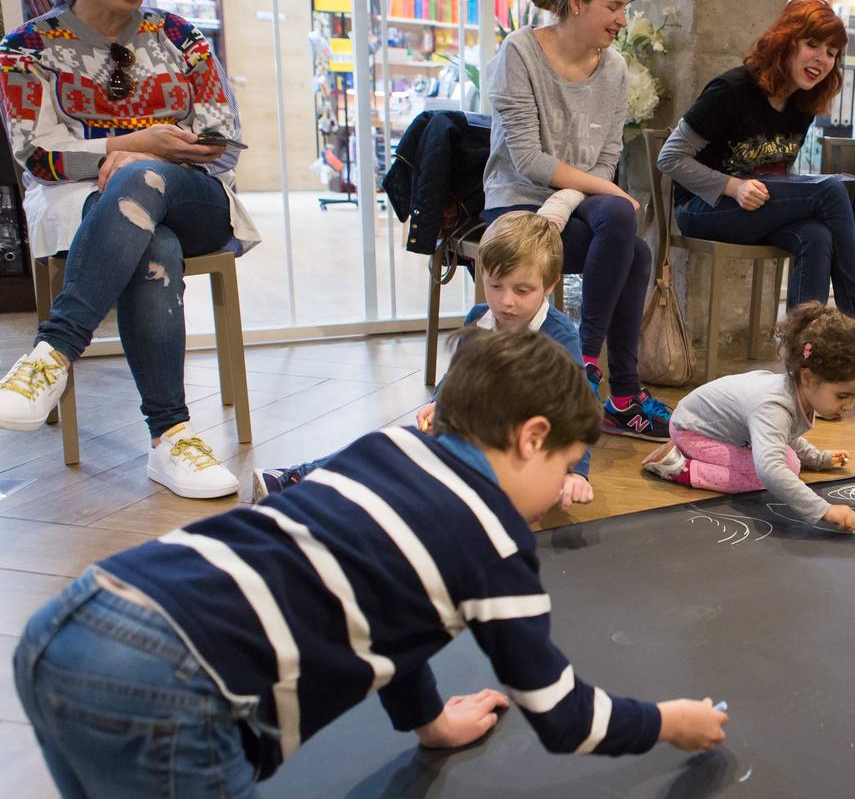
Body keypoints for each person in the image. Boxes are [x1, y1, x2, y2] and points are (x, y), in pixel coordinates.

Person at [11, 328, 730, 797]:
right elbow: (563, 716)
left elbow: (388, 608)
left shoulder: (388, 448)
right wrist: (669, 721)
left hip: (76, 619)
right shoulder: (495, 544)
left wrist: (427, 725)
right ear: (530, 437)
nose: (559, 490)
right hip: (169, 685)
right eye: (566, 465)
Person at [0, 0, 260, 499]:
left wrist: (145, 157)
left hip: (197, 199)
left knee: (143, 184)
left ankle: (53, 350)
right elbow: (36, 157)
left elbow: (223, 144)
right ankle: (171, 438)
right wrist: (129, 143)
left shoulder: (181, 38)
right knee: (153, 243)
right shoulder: (26, 49)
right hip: (82, 208)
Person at [253, 213, 594, 510]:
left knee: (414, 471)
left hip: (524, 455)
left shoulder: (559, 335)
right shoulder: (479, 318)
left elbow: (577, 411)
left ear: (549, 286)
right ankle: (299, 479)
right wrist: (439, 402)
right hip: (475, 438)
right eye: (495, 285)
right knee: (393, 445)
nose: (505, 301)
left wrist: (575, 473)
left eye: (522, 291)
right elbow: (459, 376)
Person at [655, 0, 855, 370]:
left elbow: (775, 170)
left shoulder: (802, 104)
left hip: (756, 208)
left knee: (815, 234)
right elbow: (669, 158)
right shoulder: (731, 90)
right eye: (812, 45)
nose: (822, 59)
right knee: (830, 190)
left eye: (831, 52)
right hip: (703, 208)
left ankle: (803, 362)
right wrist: (731, 186)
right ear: (787, 42)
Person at [483, 0, 670, 440]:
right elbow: (528, 160)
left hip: (580, 203)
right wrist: (596, 191)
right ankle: (623, 397)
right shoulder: (520, 53)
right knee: (635, 250)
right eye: (615, 7)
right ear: (578, 3)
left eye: (626, 8)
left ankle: (586, 362)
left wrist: (580, 197)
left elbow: (605, 157)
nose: (623, 21)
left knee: (622, 222)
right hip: (517, 202)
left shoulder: (613, 70)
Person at [640, 303, 855, 534]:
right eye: (843, 395)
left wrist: (817, 459)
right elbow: (770, 469)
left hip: (715, 427)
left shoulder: (794, 394)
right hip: (693, 431)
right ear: (808, 377)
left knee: (789, 462)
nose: (849, 406)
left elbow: (784, 435)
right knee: (773, 472)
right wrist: (823, 509)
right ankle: (678, 467)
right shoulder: (774, 406)